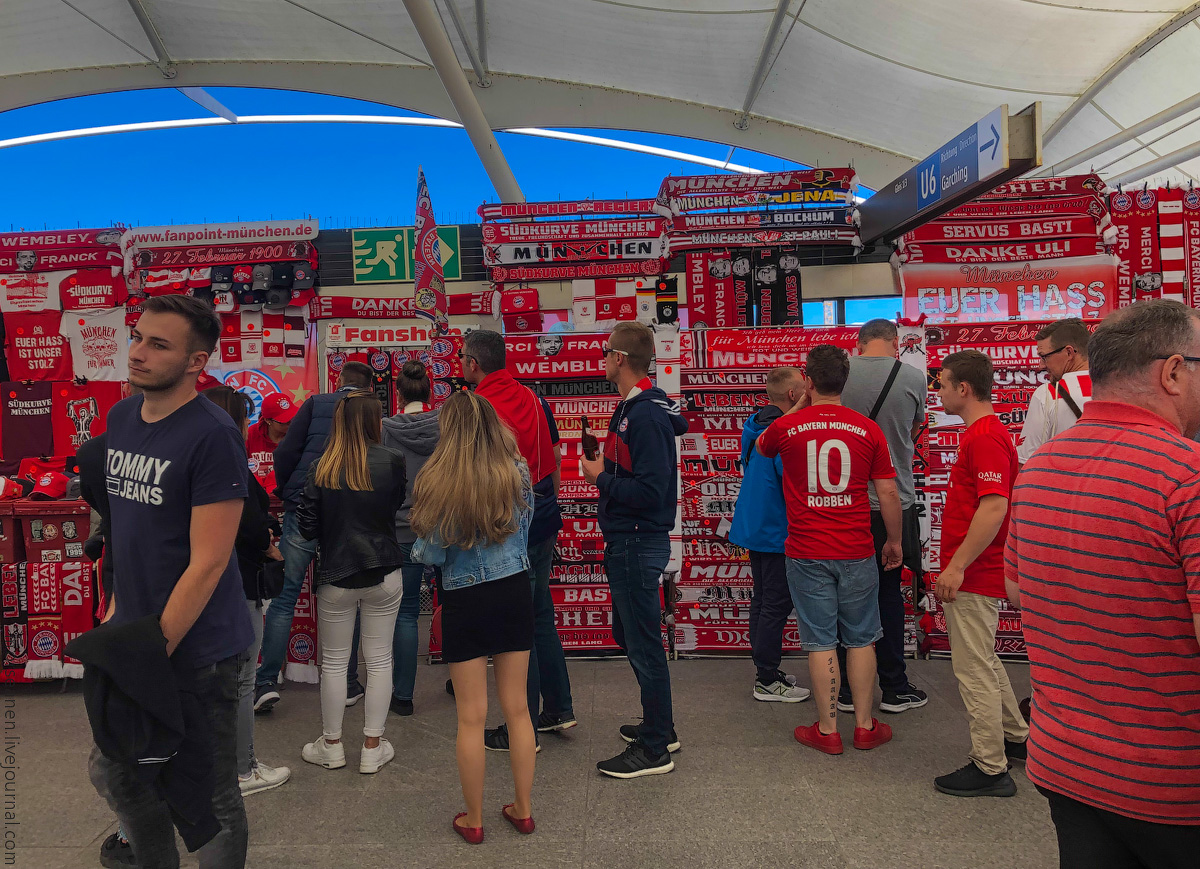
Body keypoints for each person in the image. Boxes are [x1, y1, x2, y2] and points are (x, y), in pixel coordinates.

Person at [1006, 300, 1200, 867]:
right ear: (1172, 371)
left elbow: (1019, 591)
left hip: (1067, 762)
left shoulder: (1040, 469)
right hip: (1172, 784)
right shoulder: (1186, 475)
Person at [86, 294, 253, 868]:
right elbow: (125, 527)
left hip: (199, 649)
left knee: (210, 795)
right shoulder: (121, 418)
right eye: (137, 337)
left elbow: (208, 560)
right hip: (136, 637)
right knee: (115, 771)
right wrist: (115, 613)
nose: (138, 352)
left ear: (195, 362)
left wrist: (151, 653)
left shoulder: (212, 435)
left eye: (159, 344)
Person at [756, 344, 901, 756]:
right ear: (846, 379)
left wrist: (797, 406)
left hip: (806, 549)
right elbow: (888, 490)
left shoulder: (786, 428)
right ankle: (865, 725)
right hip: (856, 547)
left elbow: (763, 446)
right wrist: (893, 541)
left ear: (808, 380)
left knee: (820, 641)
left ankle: (827, 730)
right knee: (861, 639)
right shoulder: (868, 429)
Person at [410, 391, 537, 843]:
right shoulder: (517, 471)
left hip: (464, 598)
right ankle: (522, 810)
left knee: (470, 716)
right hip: (514, 590)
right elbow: (525, 531)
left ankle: (474, 818)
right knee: (518, 708)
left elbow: (432, 553)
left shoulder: (437, 479)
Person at [580, 321, 688, 779]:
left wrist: (599, 478)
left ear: (620, 358)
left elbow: (651, 488)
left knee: (642, 643)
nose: (602, 359)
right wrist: (607, 468)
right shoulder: (638, 407)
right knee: (630, 634)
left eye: (606, 352)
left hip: (637, 538)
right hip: (630, 538)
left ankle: (655, 747)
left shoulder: (643, 413)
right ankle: (659, 724)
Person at [459, 329, 575, 751]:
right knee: (539, 610)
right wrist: (547, 508)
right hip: (542, 514)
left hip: (504, 525)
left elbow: (469, 474)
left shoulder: (475, 408)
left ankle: (518, 727)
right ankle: (558, 708)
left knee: (514, 625)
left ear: (474, 363)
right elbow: (557, 460)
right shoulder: (535, 398)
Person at [932, 349, 1028, 798]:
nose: (939, 390)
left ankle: (990, 767)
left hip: (976, 574)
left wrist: (956, 566)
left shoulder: (983, 438)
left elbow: (994, 506)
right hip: (980, 570)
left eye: (943, 383)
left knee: (973, 670)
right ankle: (1015, 738)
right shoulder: (986, 434)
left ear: (963, 389)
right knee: (985, 661)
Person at [295, 390, 407, 774]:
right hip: (385, 569)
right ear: (375, 421)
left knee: (335, 662)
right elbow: (393, 508)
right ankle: (373, 747)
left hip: (336, 573)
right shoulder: (392, 461)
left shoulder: (322, 467)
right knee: (379, 659)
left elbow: (307, 525)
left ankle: (332, 745)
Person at [255, 360, 374, 712]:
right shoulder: (370, 411)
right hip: (348, 511)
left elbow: (287, 452)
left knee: (286, 593)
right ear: (368, 387)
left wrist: (292, 489)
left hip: (303, 507)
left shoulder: (316, 403)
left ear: (338, 381)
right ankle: (349, 683)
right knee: (346, 595)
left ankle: (264, 683)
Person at [200, 386, 291, 797]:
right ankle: (242, 769)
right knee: (240, 680)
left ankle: (220, 766)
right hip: (237, 579)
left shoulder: (192, 455)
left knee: (215, 679)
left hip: (205, 580)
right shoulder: (228, 458)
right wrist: (269, 543)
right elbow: (248, 521)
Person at [838, 318, 929, 713]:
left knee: (843, 595)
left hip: (843, 503)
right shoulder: (913, 377)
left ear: (858, 343)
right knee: (889, 594)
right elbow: (913, 429)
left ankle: (844, 690)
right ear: (895, 342)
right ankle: (894, 686)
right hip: (895, 500)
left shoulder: (839, 375)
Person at [728, 366, 811, 702]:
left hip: (755, 526)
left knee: (763, 601)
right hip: (776, 529)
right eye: (805, 389)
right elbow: (792, 485)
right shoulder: (785, 434)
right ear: (794, 395)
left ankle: (766, 672)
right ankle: (766, 679)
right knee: (774, 604)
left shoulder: (755, 424)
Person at [379, 360, 441, 716]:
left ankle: (402, 696)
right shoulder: (445, 425)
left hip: (402, 528)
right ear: (429, 391)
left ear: (398, 394)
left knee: (404, 615)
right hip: (443, 528)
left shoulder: (386, 429)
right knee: (454, 605)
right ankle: (463, 683)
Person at [1017, 317, 1092, 464]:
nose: (1040, 365)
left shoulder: (1047, 394)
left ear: (1069, 353)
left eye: (1044, 357)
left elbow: (1027, 461)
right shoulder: (1119, 388)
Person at [245, 392, 298, 495]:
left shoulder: (297, 435)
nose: (290, 424)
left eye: (293, 418)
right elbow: (241, 467)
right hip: (254, 493)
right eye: (285, 421)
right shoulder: (250, 434)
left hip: (286, 493)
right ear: (267, 420)